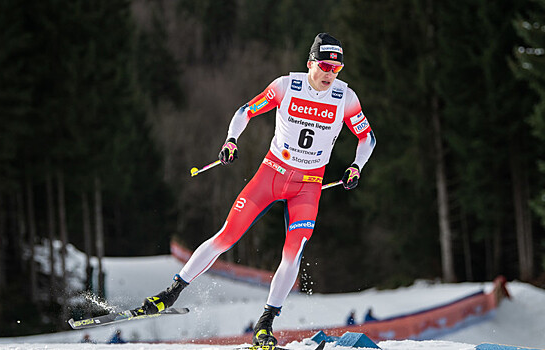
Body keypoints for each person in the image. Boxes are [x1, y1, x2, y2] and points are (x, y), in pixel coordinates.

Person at [139, 32, 376, 347]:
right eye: (324, 66)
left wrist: (355, 167)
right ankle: (171, 292)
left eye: (336, 68)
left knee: (292, 255)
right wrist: (231, 140)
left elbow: (367, 138)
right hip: (272, 174)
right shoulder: (285, 86)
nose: (330, 74)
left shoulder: (345, 98)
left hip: (308, 186)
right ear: (310, 63)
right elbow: (245, 112)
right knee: (226, 236)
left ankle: (265, 323)